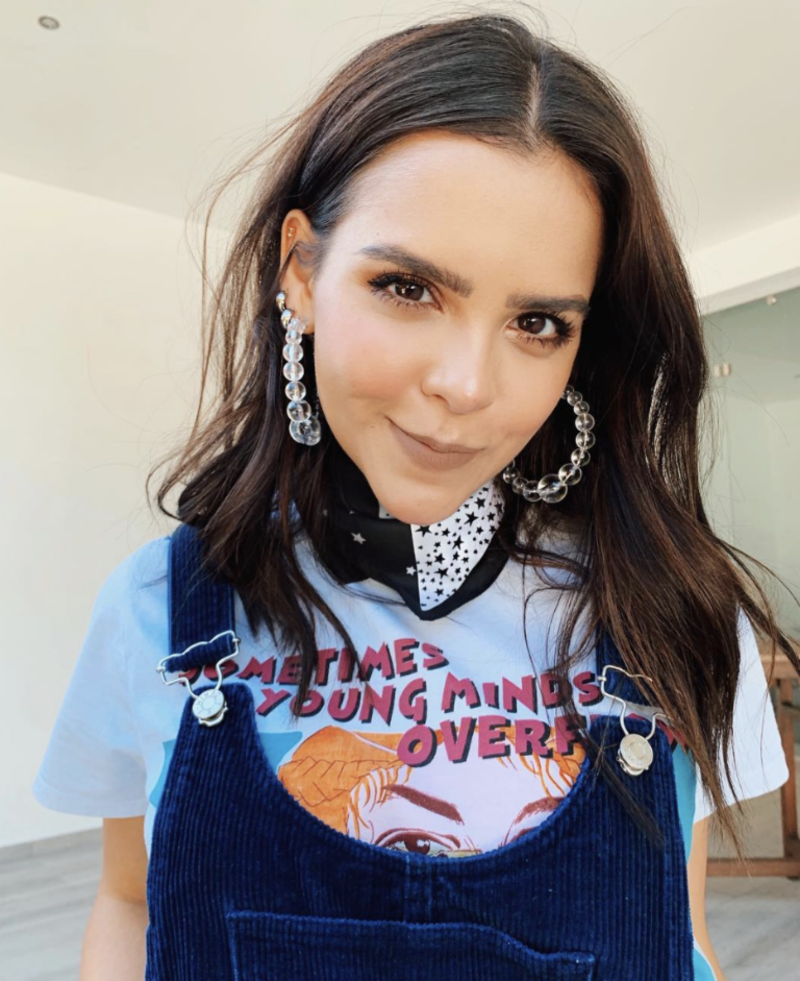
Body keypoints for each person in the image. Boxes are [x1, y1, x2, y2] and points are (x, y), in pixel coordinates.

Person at [32, 10, 797, 981]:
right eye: (407, 288)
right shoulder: (159, 609)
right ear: (300, 270)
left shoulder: (670, 611)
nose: (467, 386)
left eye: (536, 322)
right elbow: (130, 899)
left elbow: (674, 937)